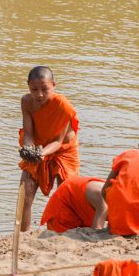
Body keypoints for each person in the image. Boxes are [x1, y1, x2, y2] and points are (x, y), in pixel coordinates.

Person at [18, 66, 80, 229]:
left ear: (53, 85)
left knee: (67, 195)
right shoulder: (26, 102)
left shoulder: (63, 105)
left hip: (63, 151)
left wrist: (40, 153)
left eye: (44, 89)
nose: (39, 94)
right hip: (40, 146)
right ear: (28, 86)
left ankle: (66, 230)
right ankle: (23, 234)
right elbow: (29, 133)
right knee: (25, 195)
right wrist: (28, 148)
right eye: (34, 89)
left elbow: (58, 142)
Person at [40, 176, 107, 233]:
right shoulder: (103, 201)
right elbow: (96, 231)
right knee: (60, 235)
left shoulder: (114, 196)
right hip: (65, 201)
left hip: (81, 204)